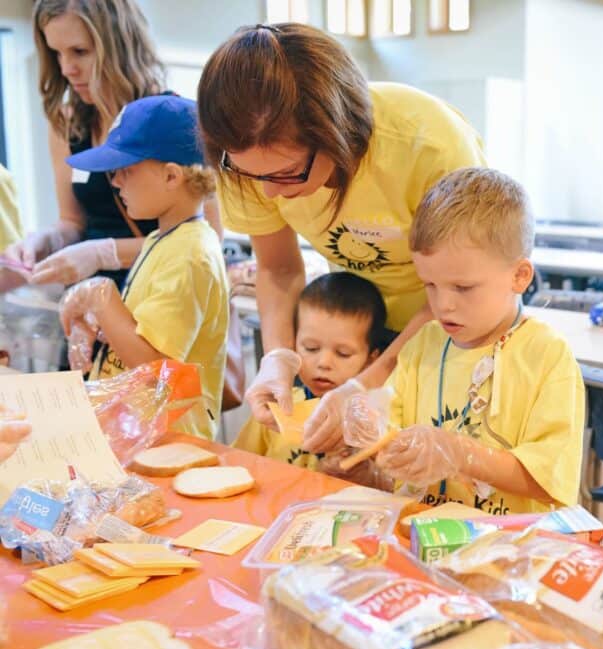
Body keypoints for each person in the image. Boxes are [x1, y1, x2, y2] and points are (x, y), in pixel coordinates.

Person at [197, 22, 486, 456]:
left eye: (285, 173)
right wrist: (279, 358)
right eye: (253, 176)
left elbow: (460, 288)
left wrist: (368, 381)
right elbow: (278, 268)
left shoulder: (428, 145)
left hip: (461, 319)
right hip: (365, 324)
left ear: (337, 134)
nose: (270, 192)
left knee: (440, 470)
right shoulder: (246, 161)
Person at [346, 168, 584, 515]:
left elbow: (548, 481)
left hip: (506, 548)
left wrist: (461, 453)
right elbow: (390, 432)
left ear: (519, 276)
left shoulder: (546, 356)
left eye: (463, 288)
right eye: (430, 285)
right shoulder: (423, 345)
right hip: (420, 531)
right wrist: (369, 424)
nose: (443, 305)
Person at [5, 0, 217, 289]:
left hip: (161, 301)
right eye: (56, 53)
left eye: (80, 52)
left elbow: (206, 238)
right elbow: (73, 221)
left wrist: (104, 253)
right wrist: (45, 240)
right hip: (91, 305)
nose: (67, 68)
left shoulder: (174, 122)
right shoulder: (67, 124)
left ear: (118, 46)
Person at [58, 96, 229, 441]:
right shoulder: (162, 239)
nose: (115, 181)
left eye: (127, 169)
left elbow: (157, 373)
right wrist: (99, 326)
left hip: (171, 441)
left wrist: (102, 296)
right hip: (138, 433)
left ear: (171, 176)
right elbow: (142, 329)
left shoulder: (190, 253)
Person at [232, 272, 389, 469]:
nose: (324, 362)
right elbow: (237, 463)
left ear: (370, 360)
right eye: (311, 348)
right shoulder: (275, 409)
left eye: (343, 353)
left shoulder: (377, 421)